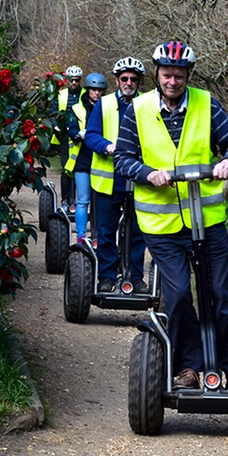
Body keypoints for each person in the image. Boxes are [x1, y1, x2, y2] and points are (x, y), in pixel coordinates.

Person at [114, 41, 228, 391]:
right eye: (166, 75)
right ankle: (187, 368)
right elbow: (123, 158)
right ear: (157, 75)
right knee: (177, 295)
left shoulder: (206, 104)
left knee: (222, 293)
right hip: (162, 225)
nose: (172, 81)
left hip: (207, 222)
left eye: (178, 75)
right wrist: (147, 173)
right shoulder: (139, 109)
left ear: (187, 75)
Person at [83, 57, 148, 293]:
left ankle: (136, 277)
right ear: (117, 80)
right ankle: (107, 277)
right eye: (124, 79)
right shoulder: (105, 104)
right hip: (108, 180)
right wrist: (107, 146)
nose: (129, 82)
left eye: (133, 79)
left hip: (138, 180)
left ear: (139, 81)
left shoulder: (148, 104)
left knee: (138, 233)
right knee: (107, 232)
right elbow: (90, 135)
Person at [65, 73, 107, 242]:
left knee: (101, 202)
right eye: (93, 90)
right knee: (83, 200)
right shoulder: (77, 108)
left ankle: (98, 236)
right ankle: (81, 236)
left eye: (99, 90)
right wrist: (80, 134)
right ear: (88, 90)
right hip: (83, 159)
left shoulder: (107, 107)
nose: (96, 93)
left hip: (103, 160)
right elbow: (71, 130)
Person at [50, 66, 85, 210]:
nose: (74, 83)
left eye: (77, 80)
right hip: (64, 134)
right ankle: (65, 200)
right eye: (72, 80)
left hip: (81, 136)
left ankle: (76, 200)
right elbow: (53, 112)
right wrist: (55, 125)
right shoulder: (61, 94)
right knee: (66, 168)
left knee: (78, 169)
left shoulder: (85, 94)